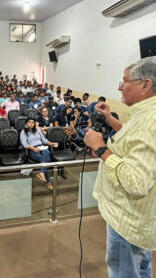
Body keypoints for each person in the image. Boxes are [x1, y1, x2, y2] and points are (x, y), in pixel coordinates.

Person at [84, 57, 156, 278]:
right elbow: (135, 142)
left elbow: (136, 182)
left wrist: (101, 148)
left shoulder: (150, 120)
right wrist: (111, 121)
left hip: (128, 221)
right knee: (141, 268)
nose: (119, 87)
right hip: (137, 220)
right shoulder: (144, 115)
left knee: (124, 272)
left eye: (125, 81)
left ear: (145, 85)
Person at [20, 118, 58, 191]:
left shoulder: (37, 129)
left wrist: (51, 144)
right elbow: (25, 144)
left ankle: (42, 173)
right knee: (45, 159)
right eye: (29, 122)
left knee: (46, 153)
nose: (31, 123)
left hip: (41, 147)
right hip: (32, 150)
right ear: (26, 124)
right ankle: (46, 180)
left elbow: (44, 140)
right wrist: (34, 149)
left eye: (33, 122)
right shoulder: (23, 132)